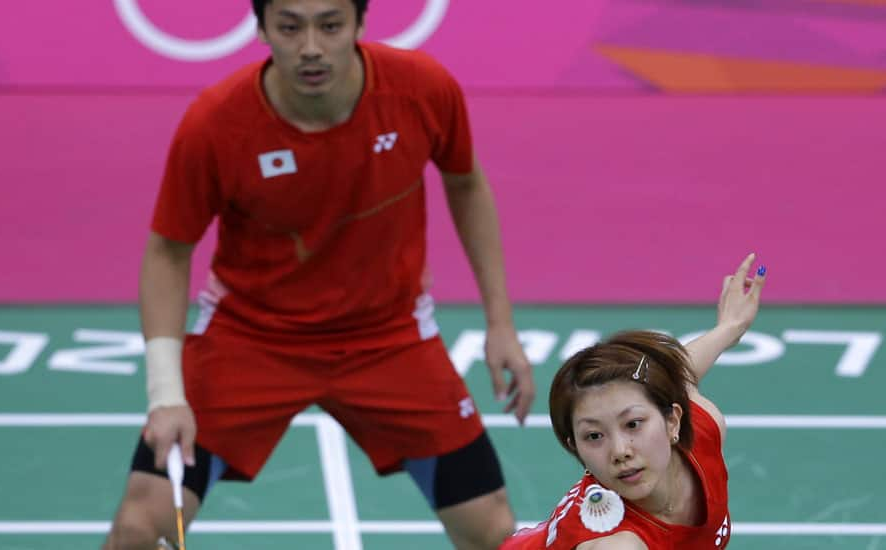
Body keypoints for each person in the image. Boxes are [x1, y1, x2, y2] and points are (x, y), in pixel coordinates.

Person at [101, 0, 535, 549]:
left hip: (389, 339)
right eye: (290, 26)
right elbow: (167, 252)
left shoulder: (421, 89)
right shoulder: (216, 122)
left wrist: (500, 324)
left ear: (360, 24)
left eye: (330, 25)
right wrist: (166, 393)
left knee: (494, 531)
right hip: (250, 340)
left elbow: (466, 184)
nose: (310, 46)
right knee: (139, 528)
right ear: (260, 29)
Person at [499, 254, 766, 549]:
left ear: (673, 420)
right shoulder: (617, 544)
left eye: (633, 424)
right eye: (594, 436)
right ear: (574, 446)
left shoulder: (704, 428)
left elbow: (678, 372)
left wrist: (729, 328)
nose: (620, 451)